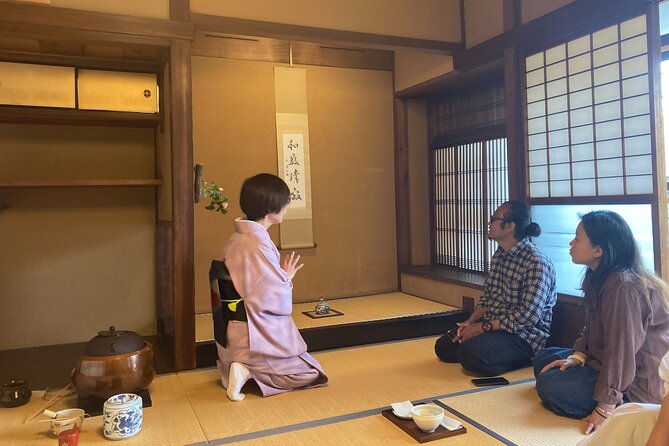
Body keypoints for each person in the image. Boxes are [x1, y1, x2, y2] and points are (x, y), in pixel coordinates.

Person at [533, 210, 669, 435]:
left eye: (577, 238)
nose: (571, 242)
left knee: (550, 385)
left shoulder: (624, 289)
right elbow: (591, 326)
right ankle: (590, 380)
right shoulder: (600, 276)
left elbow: (622, 352)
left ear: (598, 250)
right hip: (604, 362)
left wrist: (605, 407)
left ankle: (619, 402)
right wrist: (576, 357)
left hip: (635, 379)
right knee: (543, 359)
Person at [215, 173, 328, 402]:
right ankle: (247, 370)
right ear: (271, 210)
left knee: (306, 363)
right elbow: (267, 298)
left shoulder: (238, 238)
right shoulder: (257, 244)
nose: (287, 208)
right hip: (253, 338)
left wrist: (280, 276)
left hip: (234, 330)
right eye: (285, 204)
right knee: (310, 373)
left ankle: (235, 369)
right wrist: (286, 277)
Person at [434, 200, 557, 376]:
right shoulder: (500, 254)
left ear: (509, 226)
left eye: (493, 219)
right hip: (493, 326)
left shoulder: (536, 262)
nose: (489, 223)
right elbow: (489, 296)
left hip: (523, 336)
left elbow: (527, 316)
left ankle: (524, 360)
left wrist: (480, 329)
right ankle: (487, 349)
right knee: (444, 347)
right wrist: (470, 322)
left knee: (469, 355)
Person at [576, 350, 669, 446]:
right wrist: (577, 356)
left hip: (632, 385)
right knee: (626, 416)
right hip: (598, 365)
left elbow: (621, 354)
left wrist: (606, 404)